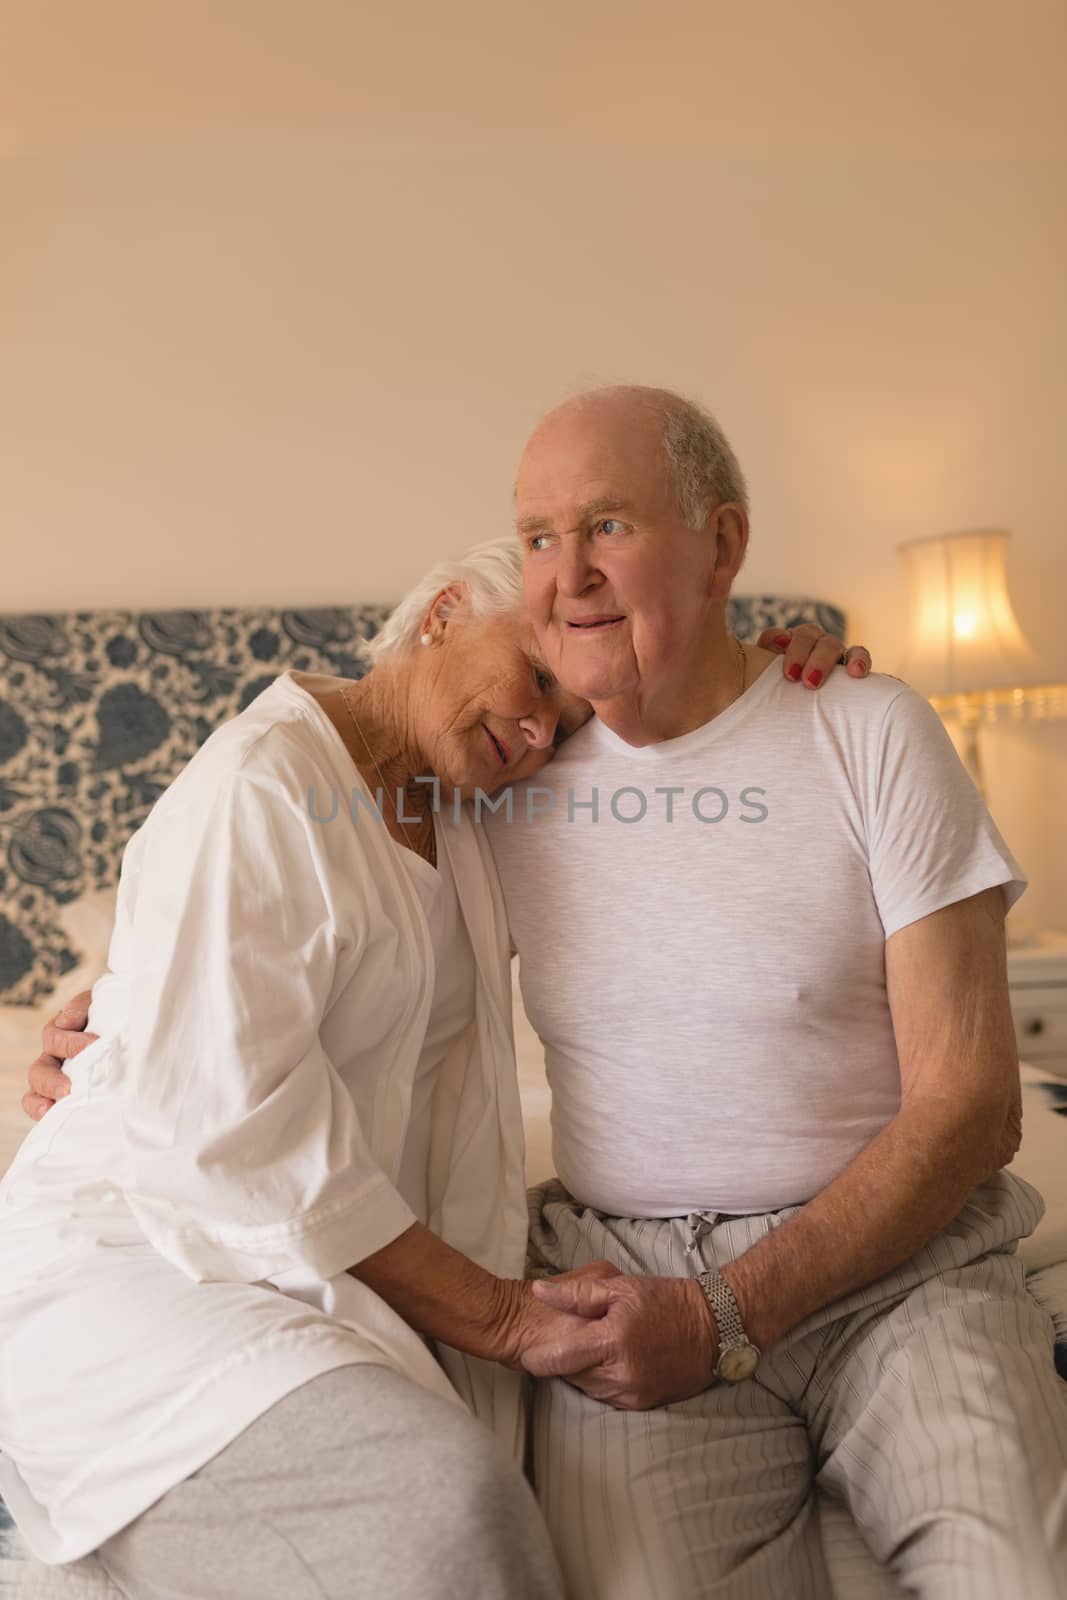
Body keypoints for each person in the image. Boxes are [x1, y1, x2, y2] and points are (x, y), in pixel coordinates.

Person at [5, 525, 853, 1599]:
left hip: (314, 1263)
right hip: (149, 1256)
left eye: (571, 720)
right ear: (446, 610)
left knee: (469, 1495)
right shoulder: (264, 784)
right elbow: (228, 1132)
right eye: (538, 676)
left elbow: (679, 805)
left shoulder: (470, 814)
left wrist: (772, 678)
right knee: (440, 1510)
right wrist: (506, 1315)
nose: (543, 727)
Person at [479, 384, 1066, 1599]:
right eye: (537, 536)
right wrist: (102, 1021)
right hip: (625, 1297)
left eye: (607, 526)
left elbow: (975, 1107)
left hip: (906, 1272)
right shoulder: (498, 785)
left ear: (723, 545)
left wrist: (729, 1310)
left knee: (1008, 1568)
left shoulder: (866, 728)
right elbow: (303, 932)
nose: (567, 573)